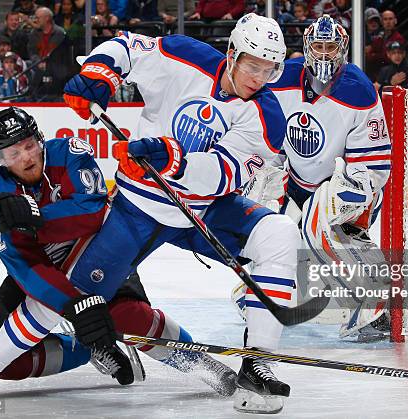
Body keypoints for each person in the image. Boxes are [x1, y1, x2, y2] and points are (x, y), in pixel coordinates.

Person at [62, 13, 298, 414]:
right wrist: (99, 75)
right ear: (233, 54)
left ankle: (258, 361)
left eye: (269, 69)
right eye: (252, 66)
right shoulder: (184, 56)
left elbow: (226, 173)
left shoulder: (268, 116)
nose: (259, 78)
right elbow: (126, 46)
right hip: (138, 207)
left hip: (204, 211)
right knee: (76, 298)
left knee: (279, 232)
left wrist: (174, 159)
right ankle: (124, 346)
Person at [0, 107, 237, 400]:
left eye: (28, 145)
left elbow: (93, 212)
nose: (25, 157)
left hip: (100, 255)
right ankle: (89, 349)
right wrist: (75, 304)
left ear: (39, 139)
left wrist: (36, 216)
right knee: (8, 359)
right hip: (44, 275)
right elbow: (24, 265)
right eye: (12, 154)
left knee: (127, 316)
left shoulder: (69, 153)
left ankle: (202, 365)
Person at [233, 15, 391, 341]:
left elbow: (374, 164)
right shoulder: (281, 78)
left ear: (342, 48)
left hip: (349, 186)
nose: (323, 53)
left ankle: (374, 301)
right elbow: (267, 130)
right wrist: (264, 169)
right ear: (306, 47)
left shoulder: (358, 91)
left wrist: (352, 187)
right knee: (262, 225)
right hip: (297, 185)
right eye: (317, 46)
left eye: (330, 46)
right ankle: (266, 293)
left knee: (320, 221)